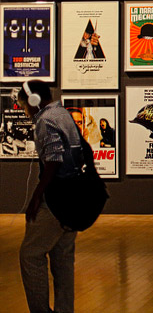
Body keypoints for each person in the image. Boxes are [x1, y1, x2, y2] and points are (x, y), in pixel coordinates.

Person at [17, 80, 80, 313]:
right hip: (74, 197)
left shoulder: (45, 120)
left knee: (30, 255)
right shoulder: (63, 113)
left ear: (33, 101)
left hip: (55, 199)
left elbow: (54, 161)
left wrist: (36, 197)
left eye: (24, 106)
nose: (25, 111)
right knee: (62, 259)